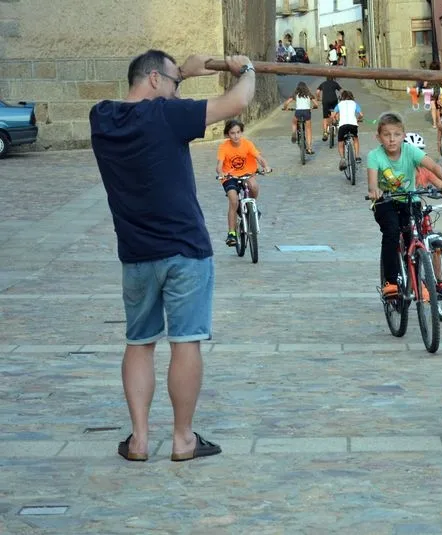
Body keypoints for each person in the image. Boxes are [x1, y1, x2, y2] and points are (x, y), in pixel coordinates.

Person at [89, 50, 257, 462]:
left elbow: (162, 95)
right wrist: (245, 68)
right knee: (185, 343)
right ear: (152, 80)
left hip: (136, 253)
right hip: (185, 249)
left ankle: (140, 439)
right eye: (174, 83)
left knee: (139, 343)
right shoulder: (167, 117)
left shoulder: (102, 118)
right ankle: (183, 439)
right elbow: (237, 101)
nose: (176, 90)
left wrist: (180, 72)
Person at [367, 113, 442, 298]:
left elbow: (432, 166)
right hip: (386, 202)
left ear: (403, 135)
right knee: (392, 232)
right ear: (379, 137)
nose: (392, 139)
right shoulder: (374, 156)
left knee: (415, 239)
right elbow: (372, 183)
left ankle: (419, 281)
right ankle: (391, 282)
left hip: (410, 201)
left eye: (396, 134)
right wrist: (375, 191)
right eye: (386, 135)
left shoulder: (410, 151)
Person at [216, 119, 272, 246]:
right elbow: (219, 165)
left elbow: (259, 158)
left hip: (246, 174)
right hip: (230, 176)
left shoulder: (247, 144)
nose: (236, 136)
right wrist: (221, 173)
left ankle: (252, 209)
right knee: (233, 200)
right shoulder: (224, 147)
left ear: (241, 132)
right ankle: (232, 233)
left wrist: (266, 166)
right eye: (232, 133)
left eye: (238, 132)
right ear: (227, 135)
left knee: (254, 186)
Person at [281, 82, 318, 154]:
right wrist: (315, 107)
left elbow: (287, 103)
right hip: (307, 112)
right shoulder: (309, 94)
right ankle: (309, 148)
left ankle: (294, 132)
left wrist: (285, 108)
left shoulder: (296, 94)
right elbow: (316, 104)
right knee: (308, 130)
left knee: (294, 122)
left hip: (298, 112)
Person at [331, 90, 364, 170]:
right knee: (355, 139)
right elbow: (361, 115)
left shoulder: (339, 104)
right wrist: (357, 119)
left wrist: (335, 120)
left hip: (343, 125)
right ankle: (357, 156)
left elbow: (333, 115)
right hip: (353, 125)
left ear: (342, 97)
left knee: (340, 142)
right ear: (351, 97)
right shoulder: (354, 103)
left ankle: (342, 158)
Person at [316, 76, 342, 141]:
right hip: (334, 100)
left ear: (326, 78)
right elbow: (342, 90)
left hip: (325, 101)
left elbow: (317, 92)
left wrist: (318, 98)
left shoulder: (323, 83)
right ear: (333, 78)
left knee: (325, 118)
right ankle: (337, 122)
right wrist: (341, 97)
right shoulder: (335, 83)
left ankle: (325, 133)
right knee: (336, 111)